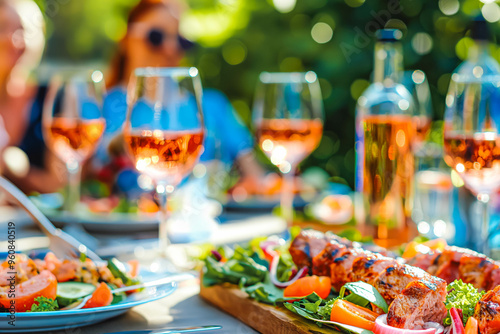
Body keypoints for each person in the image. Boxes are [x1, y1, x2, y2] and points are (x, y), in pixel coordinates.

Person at [95, 0, 269, 198]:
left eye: (180, 40)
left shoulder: (212, 106)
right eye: (156, 37)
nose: (170, 48)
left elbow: (256, 178)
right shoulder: (99, 107)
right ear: (127, 39)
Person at [0, 0, 64, 193]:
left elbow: (59, 186)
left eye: (25, 29)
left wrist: (14, 171)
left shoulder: (52, 99)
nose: (14, 38)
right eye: (2, 27)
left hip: (25, 222)